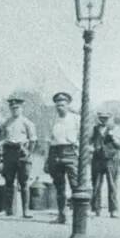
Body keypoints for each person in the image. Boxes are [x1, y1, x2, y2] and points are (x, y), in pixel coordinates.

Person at [46, 92, 80, 224]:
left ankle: (78, 216)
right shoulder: (53, 120)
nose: (60, 107)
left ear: (68, 105)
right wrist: (47, 160)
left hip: (71, 153)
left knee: (75, 186)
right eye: (58, 105)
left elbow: (84, 137)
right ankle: (61, 215)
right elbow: (49, 141)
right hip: (55, 153)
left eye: (63, 105)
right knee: (59, 187)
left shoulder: (76, 119)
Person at [1, 97, 37, 218]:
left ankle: (25, 211)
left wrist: (28, 154)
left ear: (22, 108)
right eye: (12, 108)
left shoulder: (27, 122)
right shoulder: (7, 122)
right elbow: (2, 138)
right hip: (9, 153)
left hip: (22, 152)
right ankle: (9, 210)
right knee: (9, 181)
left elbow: (33, 140)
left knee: (24, 182)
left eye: (17, 108)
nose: (14, 110)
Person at [91, 111, 120, 218]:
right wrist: (92, 148)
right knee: (96, 185)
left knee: (112, 185)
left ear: (109, 119)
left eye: (106, 118)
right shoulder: (95, 129)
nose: (103, 120)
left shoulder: (115, 129)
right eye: (101, 118)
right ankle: (96, 209)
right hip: (97, 160)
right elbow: (89, 141)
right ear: (98, 118)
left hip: (111, 160)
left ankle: (113, 210)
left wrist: (113, 138)